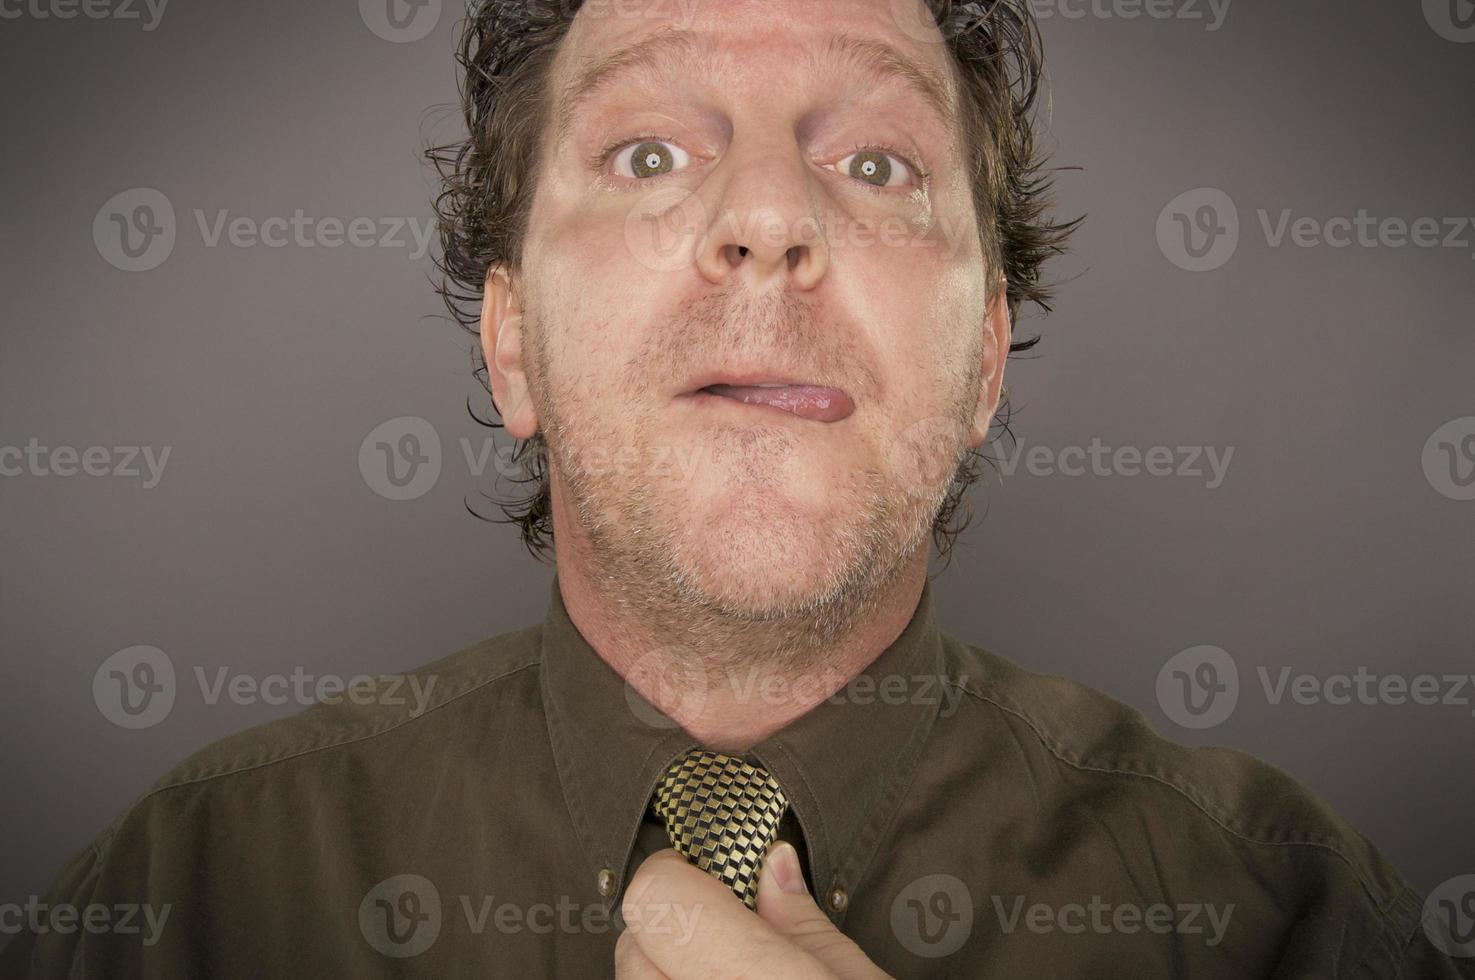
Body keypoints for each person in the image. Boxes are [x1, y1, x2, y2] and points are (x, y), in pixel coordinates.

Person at [2, 1, 1465, 977]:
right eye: (648, 153)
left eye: (879, 164)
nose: (767, 220)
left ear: (981, 366)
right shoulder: (186, 895)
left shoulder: (1283, 915)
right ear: (513, 346)